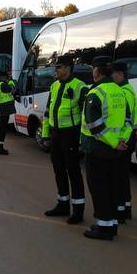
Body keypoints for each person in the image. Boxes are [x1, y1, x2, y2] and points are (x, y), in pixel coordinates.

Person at [80, 56, 131, 241]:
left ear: (97, 71)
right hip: (115, 150)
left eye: (93, 68)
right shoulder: (119, 91)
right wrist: (121, 140)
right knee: (110, 187)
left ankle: (103, 228)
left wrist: (112, 141)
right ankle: (111, 224)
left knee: (98, 188)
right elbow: (128, 121)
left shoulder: (96, 93)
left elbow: (94, 125)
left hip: (97, 149)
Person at [41, 56, 89, 224]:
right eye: (56, 67)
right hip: (56, 134)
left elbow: (86, 116)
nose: (56, 70)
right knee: (58, 170)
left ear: (68, 67)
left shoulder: (80, 87)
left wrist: (82, 139)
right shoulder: (54, 86)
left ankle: (78, 210)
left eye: (59, 67)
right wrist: (45, 135)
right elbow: (47, 112)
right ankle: (62, 204)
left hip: (71, 134)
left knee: (73, 172)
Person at [112, 62, 137, 223]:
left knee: (119, 176)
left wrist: (120, 140)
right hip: (129, 136)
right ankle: (125, 208)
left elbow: (127, 121)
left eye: (114, 73)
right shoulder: (128, 89)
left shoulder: (124, 92)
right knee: (123, 175)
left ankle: (120, 212)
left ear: (121, 74)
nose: (112, 76)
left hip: (125, 138)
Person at [0, 69, 16, 155]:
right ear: (2, 77)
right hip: (4, 107)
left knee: (2, 128)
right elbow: (12, 89)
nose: (6, 78)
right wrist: (11, 81)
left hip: (1, 106)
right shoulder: (2, 84)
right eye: (6, 77)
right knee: (2, 129)